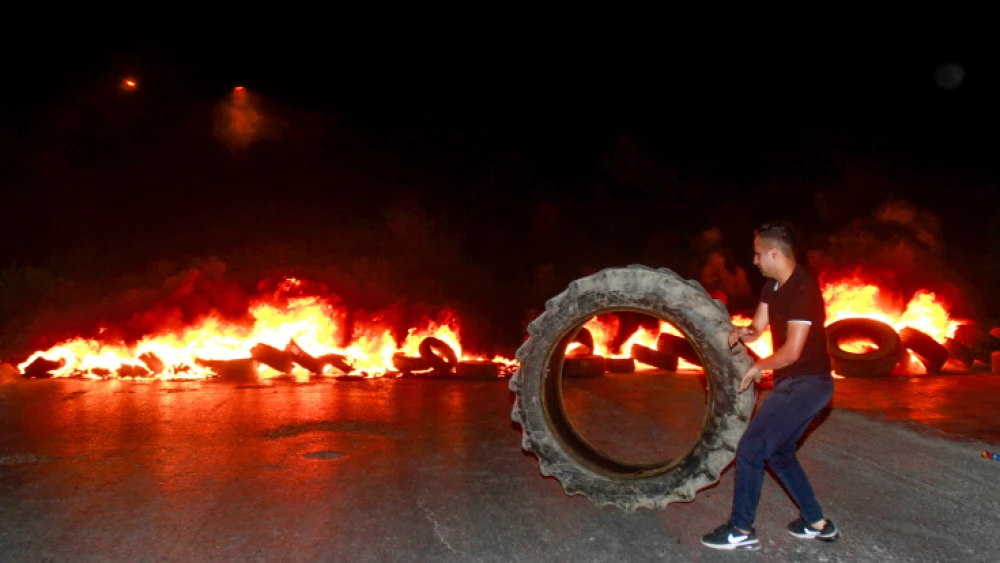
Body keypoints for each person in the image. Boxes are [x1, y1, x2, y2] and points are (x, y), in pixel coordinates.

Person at [700, 221, 840, 551]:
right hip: (796, 383)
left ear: (775, 253)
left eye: (758, 254)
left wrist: (758, 368)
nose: (755, 261)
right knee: (779, 453)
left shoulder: (803, 290)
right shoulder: (772, 287)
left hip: (808, 384)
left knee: (750, 449)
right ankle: (817, 523)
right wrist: (741, 332)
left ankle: (741, 529)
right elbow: (758, 328)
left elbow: (791, 352)